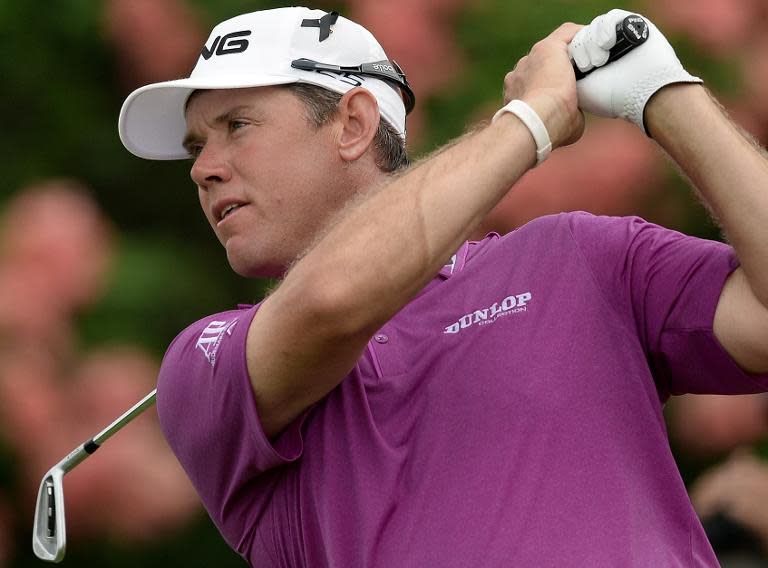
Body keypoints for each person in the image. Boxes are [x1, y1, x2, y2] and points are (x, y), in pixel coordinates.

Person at [117, 6, 768, 566]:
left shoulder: (584, 256)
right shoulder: (205, 360)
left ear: (352, 124)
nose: (203, 168)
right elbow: (331, 301)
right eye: (196, 144)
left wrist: (665, 91)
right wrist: (531, 118)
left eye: (237, 126)